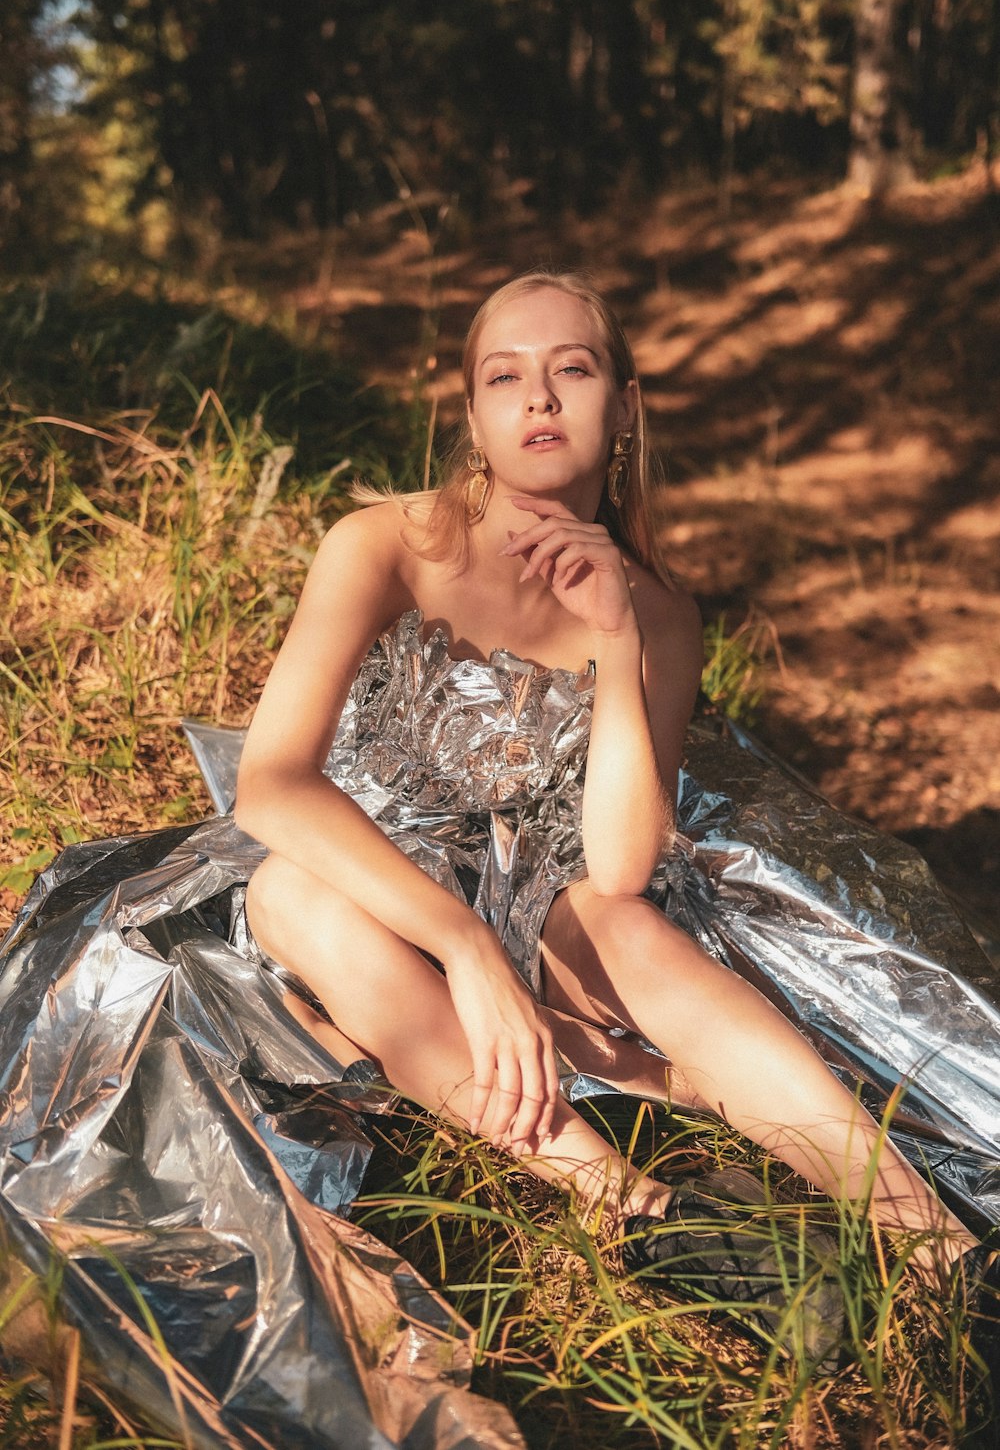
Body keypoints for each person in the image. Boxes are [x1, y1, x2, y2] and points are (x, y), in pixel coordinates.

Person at [235, 269, 980, 1313]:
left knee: (616, 918)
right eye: (506, 377)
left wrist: (618, 635)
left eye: (570, 370)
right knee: (286, 894)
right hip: (361, 884)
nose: (537, 399)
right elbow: (268, 786)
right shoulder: (382, 544)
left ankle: (935, 1245)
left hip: (540, 898)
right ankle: (634, 1213)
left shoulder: (660, 612)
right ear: (475, 418)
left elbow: (621, 860)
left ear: (623, 408)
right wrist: (467, 950)